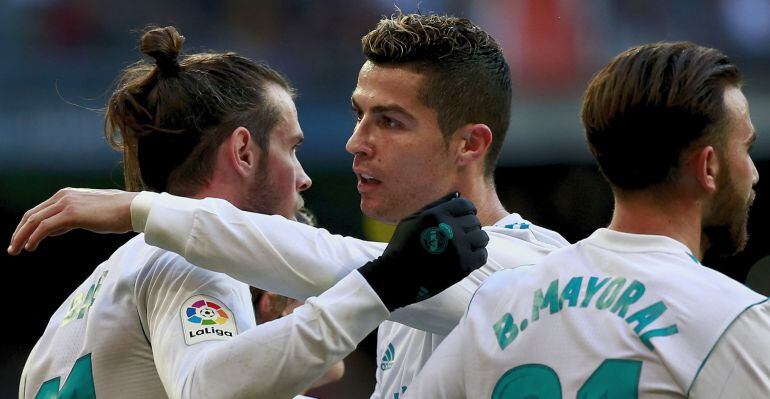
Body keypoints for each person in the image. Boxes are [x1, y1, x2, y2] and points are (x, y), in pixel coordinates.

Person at [9, 14, 569, 398]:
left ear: (470, 144)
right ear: (244, 152)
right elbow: (208, 388)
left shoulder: (538, 265)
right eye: (357, 114)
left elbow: (347, 263)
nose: (355, 143)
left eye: (390, 121)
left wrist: (146, 209)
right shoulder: (189, 262)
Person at [404, 41, 769, 397]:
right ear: (708, 166)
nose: (753, 172)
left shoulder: (495, 302)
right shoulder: (732, 320)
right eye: (746, 148)